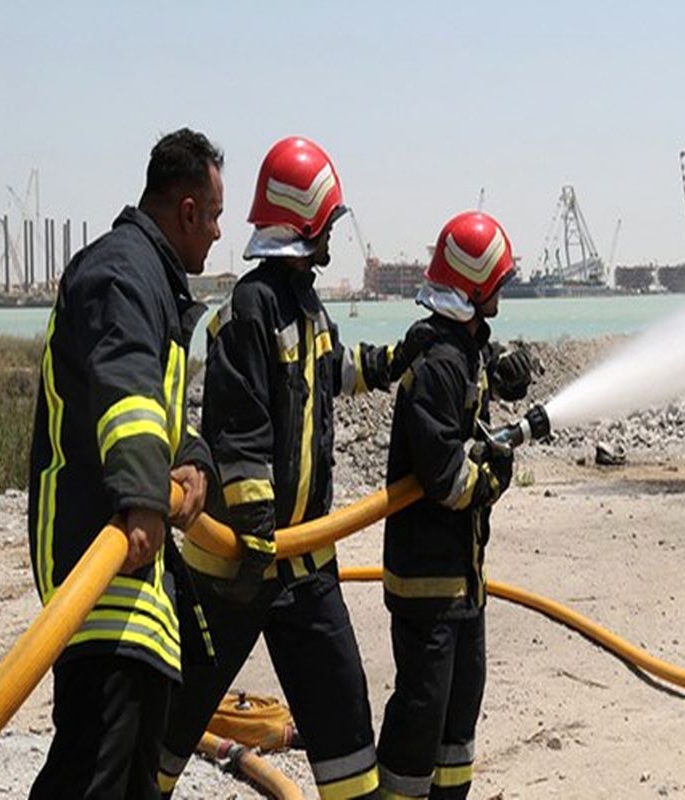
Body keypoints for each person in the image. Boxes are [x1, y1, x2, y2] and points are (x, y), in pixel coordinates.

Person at [158, 136, 435, 799]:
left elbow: (332, 371)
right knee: (168, 725)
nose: (334, 238)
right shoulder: (250, 310)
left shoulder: (306, 305)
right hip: (233, 572)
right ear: (304, 225)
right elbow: (241, 424)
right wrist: (255, 526)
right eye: (328, 225)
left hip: (305, 572)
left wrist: (399, 357)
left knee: (345, 734)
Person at [27, 128, 221, 799]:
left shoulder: (151, 284)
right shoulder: (122, 273)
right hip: (101, 562)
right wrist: (145, 499)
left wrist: (194, 464)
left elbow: (163, 415)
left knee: (132, 777)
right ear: (188, 211)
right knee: (93, 774)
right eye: (216, 216)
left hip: (137, 582)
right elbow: (125, 389)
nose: (219, 235)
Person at [376, 210, 523, 799]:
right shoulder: (437, 363)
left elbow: (476, 377)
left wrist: (506, 368)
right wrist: (491, 479)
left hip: (464, 580)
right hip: (427, 584)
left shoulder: (462, 348)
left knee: (460, 713)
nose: (503, 292)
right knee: (422, 712)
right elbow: (444, 476)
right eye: (497, 283)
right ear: (474, 286)